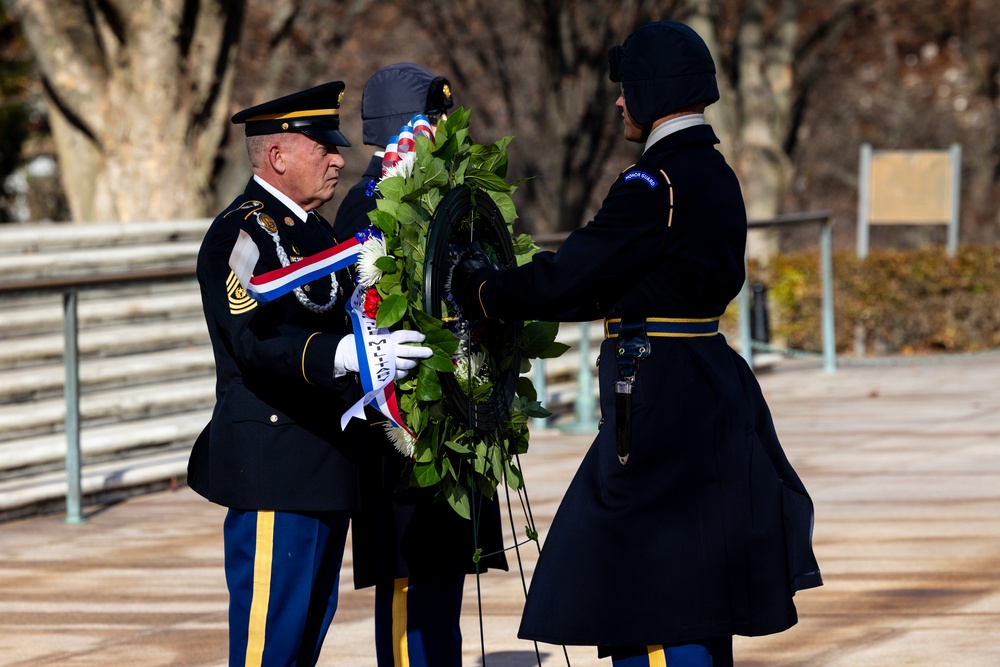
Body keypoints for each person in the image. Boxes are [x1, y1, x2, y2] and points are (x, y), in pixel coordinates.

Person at [452, 21, 822, 667]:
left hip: (658, 389)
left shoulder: (655, 183)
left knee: (645, 580)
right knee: (696, 576)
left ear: (651, 93)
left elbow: (575, 272)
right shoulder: (712, 172)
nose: (620, 102)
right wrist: (522, 297)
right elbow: (611, 288)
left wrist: (479, 288)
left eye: (627, 90)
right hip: (703, 375)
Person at [188, 80, 431, 667]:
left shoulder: (316, 231)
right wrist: (344, 356)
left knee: (299, 648)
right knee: (267, 650)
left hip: (324, 468)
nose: (338, 158)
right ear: (278, 156)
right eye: (323, 147)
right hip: (277, 467)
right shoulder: (241, 233)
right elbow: (254, 340)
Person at [333, 62, 507, 667]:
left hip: (454, 416)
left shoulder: (448, 199)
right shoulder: (368, 205)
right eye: (431, 120)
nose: (443, 131)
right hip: (404, 429)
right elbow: (372, 307)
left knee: (445, 598)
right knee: (410, 598)